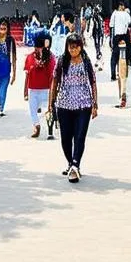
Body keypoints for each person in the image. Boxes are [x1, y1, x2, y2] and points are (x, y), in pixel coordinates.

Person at [47, 32, 98, 182]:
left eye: (75, 48)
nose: (73, 50)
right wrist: (51, 103)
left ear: (80, 47)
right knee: (65, 138)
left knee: (80, 136)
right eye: (70, 47)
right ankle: (70, 162)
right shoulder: (62, 61)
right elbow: (54, 81)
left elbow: (93, 82)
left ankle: (76, 165)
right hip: (64, 104)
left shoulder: (86, 62)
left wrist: (95, 104)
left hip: (84, 104)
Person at [23, 29, 57, 138]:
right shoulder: (29, 57)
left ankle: (50, 130)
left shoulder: (51, 58)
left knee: (48, 110)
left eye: (40, 46)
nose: (37, 49)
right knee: (32, 110)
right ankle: (36, 126)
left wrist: (54, 93)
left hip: (47, 90)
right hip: (33, 90)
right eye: (36, 46)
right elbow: (27, 74)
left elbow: (53, 77)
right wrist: (25, 91)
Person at [109, 0, 131, 84]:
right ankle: (126, 72)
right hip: (124, 35)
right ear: (121, 6)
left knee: (114, 55)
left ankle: (113, 74)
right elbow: (129, 22)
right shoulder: (126, 13)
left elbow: (111, 25)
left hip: (116, 35)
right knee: (127, 53)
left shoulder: (114, 14)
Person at [92, 3, 105, 71]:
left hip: (98, 35)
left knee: (98, 49)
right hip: (97, 35)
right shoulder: (98, 18)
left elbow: (98, 28)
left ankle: (101, 64)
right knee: (97, 49)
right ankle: (98, 62)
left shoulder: (97, 18)